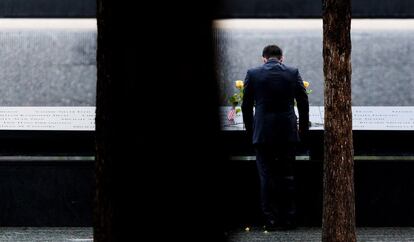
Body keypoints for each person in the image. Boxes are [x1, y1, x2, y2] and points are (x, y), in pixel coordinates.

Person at [241, 44, 309, 231]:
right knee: (287, 176)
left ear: (263, 58)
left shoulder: (253, 74)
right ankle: (289, 220)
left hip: (262, 134)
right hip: (287, 133)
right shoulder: (293, 73)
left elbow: (246, 105)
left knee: (266, 177)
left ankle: (270, 220)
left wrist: (250, 131)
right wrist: (302, 130)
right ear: (282, 58)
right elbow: (303, 102)